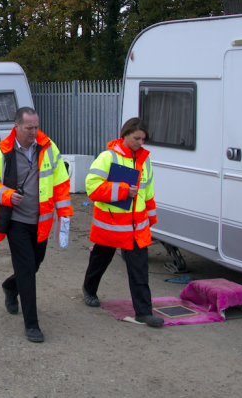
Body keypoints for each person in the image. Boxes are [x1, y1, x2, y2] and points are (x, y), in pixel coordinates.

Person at [0, 107, 73, 343]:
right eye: (29, 127)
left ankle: (10, 286)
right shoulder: (1, 151)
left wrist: (65, 215)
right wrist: (5, 194)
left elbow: (60, 183)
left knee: (34, 265)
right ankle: (32, 325)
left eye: (36, 126)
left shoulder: (48, 147)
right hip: (15, 221)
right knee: (28, 271)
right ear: (16, 126)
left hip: (41, 222)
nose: (34, 131)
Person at [80, 117, 162, 327]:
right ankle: (89, 290)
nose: (140, 143)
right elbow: (92, 189)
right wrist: (124, 190)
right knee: (99, 261)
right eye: (136, 138)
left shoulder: (146, 160)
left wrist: (151, 219)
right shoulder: (108, 157)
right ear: (125, 135)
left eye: (143, 139)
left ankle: (143, 313)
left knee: (139, 269)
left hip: (137, 226)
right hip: (111, 225)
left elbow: (148, 192)